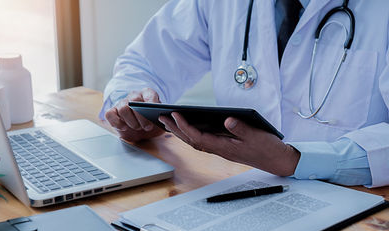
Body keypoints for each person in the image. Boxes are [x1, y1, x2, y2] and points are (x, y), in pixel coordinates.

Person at [100, 0, 389, 188]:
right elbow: (141, 64)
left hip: (357, 213)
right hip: (240, 195)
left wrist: (294, 160)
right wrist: (131, 109)